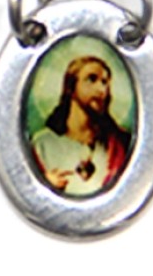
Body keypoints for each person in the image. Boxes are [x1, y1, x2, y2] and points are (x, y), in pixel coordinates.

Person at [30, 55, 131, 197]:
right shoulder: (43, 144)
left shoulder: (118, 145)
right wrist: (45, 184)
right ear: (71, 87)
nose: (101, 89)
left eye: (105, 82)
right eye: (91, 79)